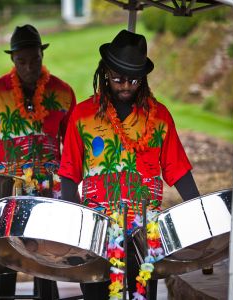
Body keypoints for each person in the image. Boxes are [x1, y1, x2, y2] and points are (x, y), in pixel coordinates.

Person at [58, 30, 200, 299]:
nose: (125, 86)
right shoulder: (83, 114)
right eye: (118, 79)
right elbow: (69, 172)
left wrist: (203, 218)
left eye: (134, 80)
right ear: (105, 73)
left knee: (141, 294)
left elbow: (178, 169)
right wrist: (73, 227)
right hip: (97, 229)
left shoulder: (159, 117)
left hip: (143, 231)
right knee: (96, 294)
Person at [0, 24, 76, 299]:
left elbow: (74, 145)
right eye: (22, 61)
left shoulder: (63, 93)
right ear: (12, 60)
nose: (29, 67)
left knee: (47, 260)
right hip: (9, 190)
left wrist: (70, 187)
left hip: (50, 192)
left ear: (42, 55)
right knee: (6, 258)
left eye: (35, 60)